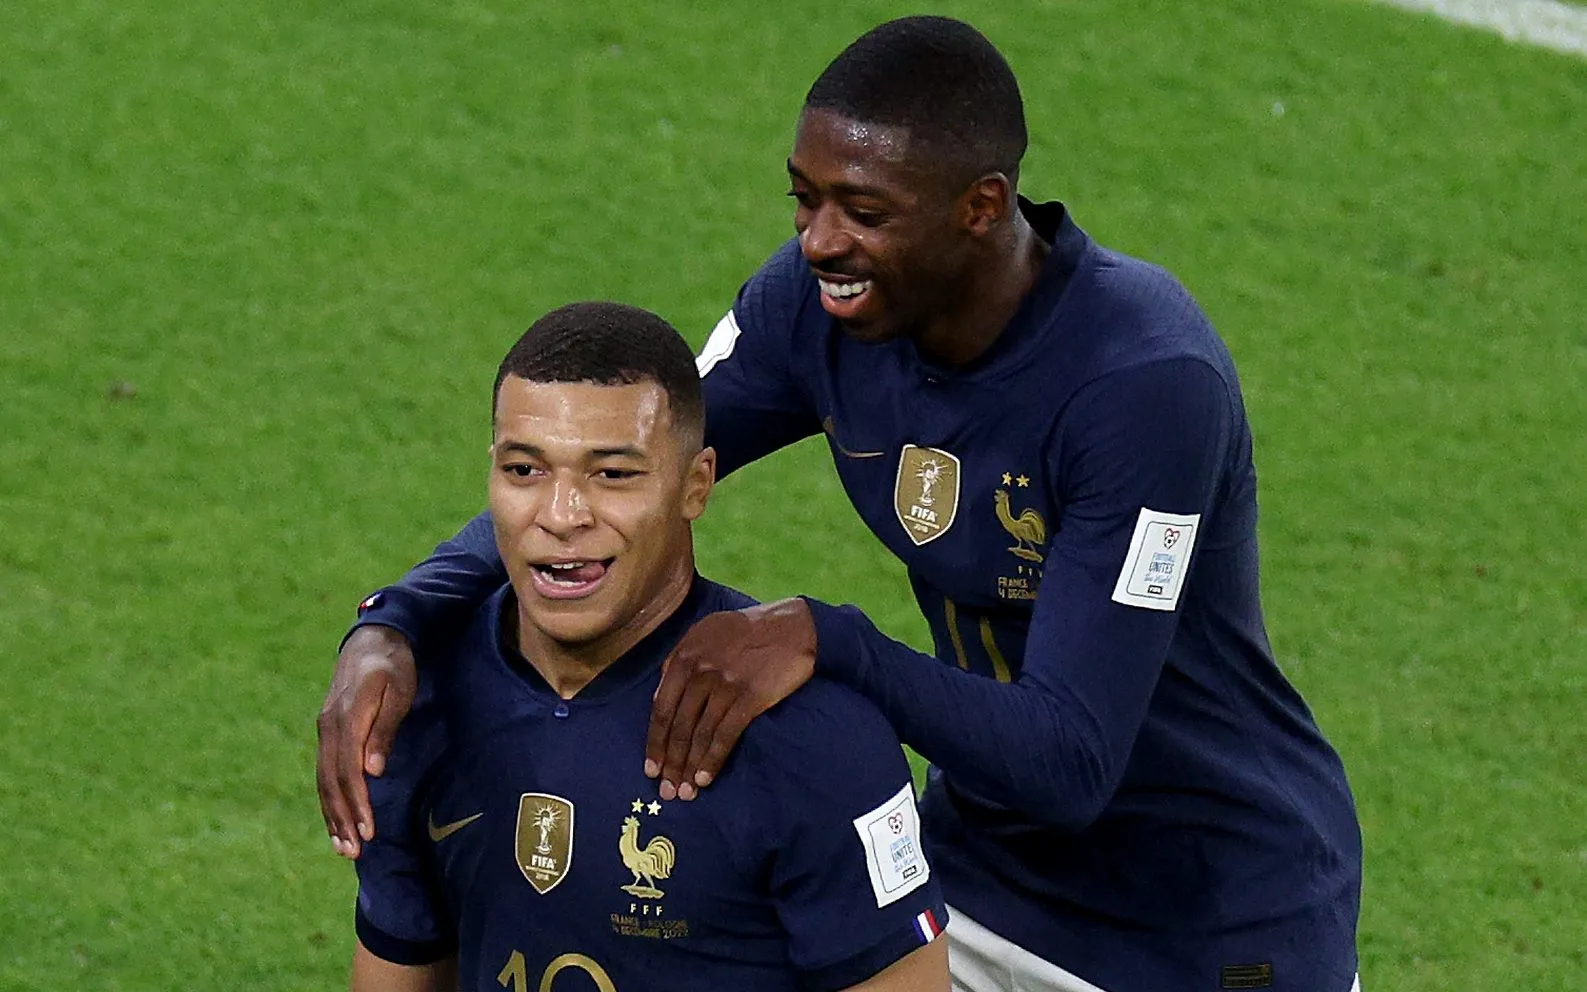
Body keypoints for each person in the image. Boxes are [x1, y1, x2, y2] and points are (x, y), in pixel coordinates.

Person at [322, 16, 1363, 992]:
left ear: (982, 207)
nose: (819, 241)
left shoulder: (1142, 385)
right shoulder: (816, 307)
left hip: (1205, 925)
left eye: (863, 212)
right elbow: (607, 469)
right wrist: (395, 616)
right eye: (803, 199)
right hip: (976, 884)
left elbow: (1071, 760)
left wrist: (833, 640)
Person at [347, 302, 949, 992]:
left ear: (695, 484)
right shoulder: (418, 701)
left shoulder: (813, 738)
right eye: (524, 470)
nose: (561, 515)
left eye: (613, 475)